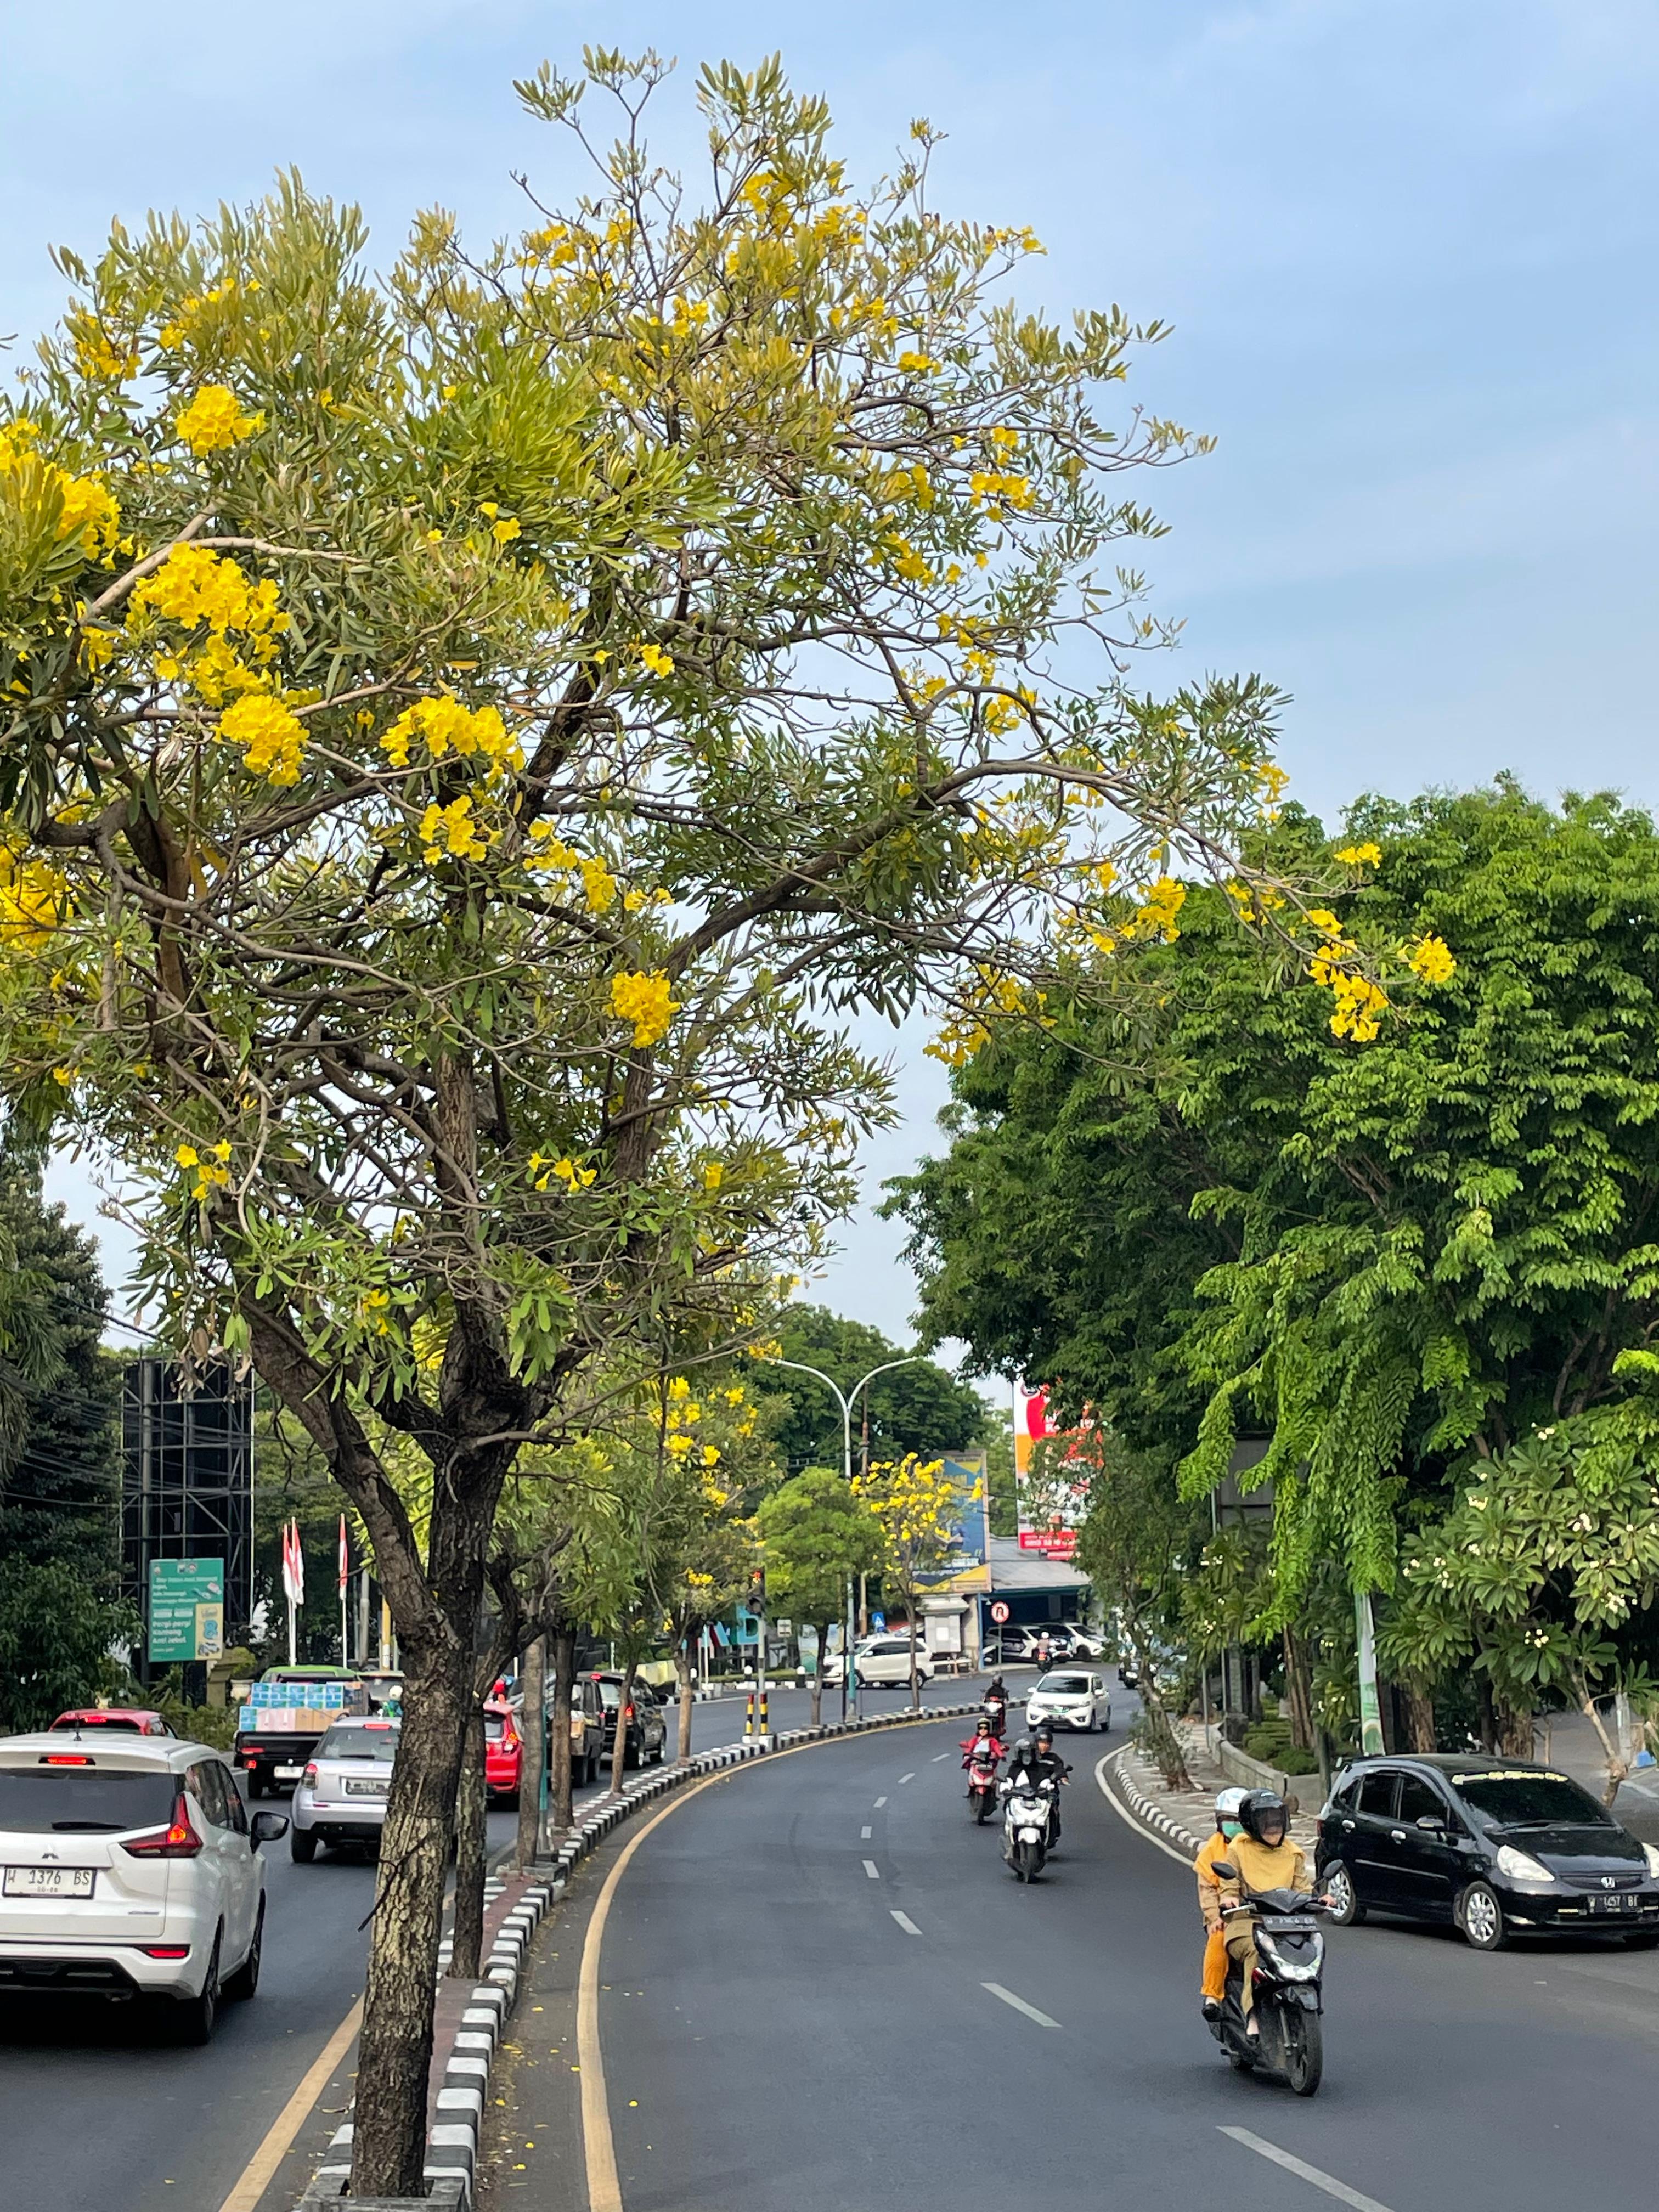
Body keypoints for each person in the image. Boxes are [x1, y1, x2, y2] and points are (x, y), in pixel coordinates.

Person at [1216, 1790, 1312, 2035]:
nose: (1273, 1829)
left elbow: (1303, 1889)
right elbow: (1229, 1887)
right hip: (1248, 1922)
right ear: (1252, 1824)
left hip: (1286, 1925)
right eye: (1266, 1823)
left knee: (1312, 1948)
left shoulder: (1293, 1853)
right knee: (1255, 1952)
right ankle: (1253, 2015)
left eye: (1277, 1821)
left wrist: (1321, 1899)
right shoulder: (1238, 1849)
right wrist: (1229, 1898)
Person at [1196, 1787, 1248, 2019]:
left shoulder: (1257, 1846)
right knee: (1218, 1940)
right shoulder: (1212, 1850)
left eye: (1239, 1820)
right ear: (1219, 1821)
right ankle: (1212, 1997)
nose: (1234, 1825)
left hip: (1258, 1911)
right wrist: (1214, 1916)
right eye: (1229, 1820)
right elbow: (1206, 1889)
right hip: (1224, 1914)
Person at [1005, 1721, 1070, 1841]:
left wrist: (1062, 1777)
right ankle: (1011, 1830)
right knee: (1009, 1803)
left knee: (1053, 1809)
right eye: (1042, 1743)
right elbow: (1015, 1772)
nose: (1044, 1746)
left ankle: (1052, 1833)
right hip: (1026, 1791)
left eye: (1047, 1743)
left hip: (1047, 1792)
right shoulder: (1028, 1759)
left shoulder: (1053, 1759)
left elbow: (1060, 1769)